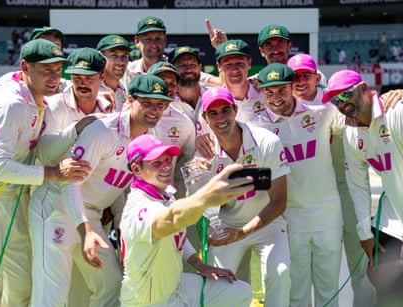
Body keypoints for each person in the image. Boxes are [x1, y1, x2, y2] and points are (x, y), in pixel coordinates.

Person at [0, 39, 90, 306]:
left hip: (12, 198)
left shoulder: (38, 101)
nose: (54, 77)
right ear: (25, 67)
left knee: (21, 285)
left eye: (58, 69)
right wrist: (54, 173)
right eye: (46, 70)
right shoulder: (9, 104)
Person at [120, 133, 253, 307]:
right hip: (146, 302)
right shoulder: (138, 206)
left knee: (239, 292)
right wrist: (205, 198)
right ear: (136, 169)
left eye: (167, 159)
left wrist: (199, 264)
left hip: (175, 286)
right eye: (156, 163)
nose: (166, 167)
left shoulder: (164, 194)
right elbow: (170, 221)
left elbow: (178, 234)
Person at [28, 47, 117, 306]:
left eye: (89, 76)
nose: (82, 82)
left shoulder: (109, 105)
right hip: (53, 205)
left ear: (102, 76)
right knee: (52, 294)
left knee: (110, 283)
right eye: (77, 76)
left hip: (89, 212)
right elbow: (44, 153)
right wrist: (77, 127)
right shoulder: (55, 105)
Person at [252, 63, 346, 307]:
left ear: (292, 87)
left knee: (329, 290)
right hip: (289, 219)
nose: (276, 98)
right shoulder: (255, 127)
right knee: (297, 293)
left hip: (327, 215)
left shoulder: (322, 112)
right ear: (261, 92)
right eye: (269, 92)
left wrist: (393, 98)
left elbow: (360, 116)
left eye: (282, 90)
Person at [287, 53, 375, 306]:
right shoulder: (284, 108)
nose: (300, 81)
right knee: (304, 274)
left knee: (359, 263)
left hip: (346, 189)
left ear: (317, 78)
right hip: (308, 200)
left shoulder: (334, 103)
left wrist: (394, 97)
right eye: (295, 77)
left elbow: (365, 111)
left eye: (306, 76)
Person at [322, 69, 403, 299]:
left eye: (346, 95)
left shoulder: (400, 110)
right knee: (380, 275)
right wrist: (364, 233)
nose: (342, 103)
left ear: (363, 88)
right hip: (394, 217)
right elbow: (357, 184)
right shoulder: (351, 133)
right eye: (336, 99)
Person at [198, 87, 291, 307]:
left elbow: (279, 201)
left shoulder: (266, 142)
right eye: (213, 113)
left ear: (235, 109)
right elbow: (203, 205)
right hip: (227, 225)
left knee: (280, 273)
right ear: (204, 118)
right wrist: (219, 229)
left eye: (225, 110)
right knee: (221, 287)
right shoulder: (202, 153)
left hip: (268, 224)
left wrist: (244, 232)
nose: (221, 118)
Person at [147, 61, 196, 199]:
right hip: (127, 198)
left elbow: (189, 163)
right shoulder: (129, 112)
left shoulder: (183, 122)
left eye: (172, 84)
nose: (167, 88)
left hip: (165, 199)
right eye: (161, 82)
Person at [122, 16, 167, 87]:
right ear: (137, 41)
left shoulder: (176, 70)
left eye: (158, 39)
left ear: (165, 40)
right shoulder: (126, 71)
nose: (154, 45)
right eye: (148, 39)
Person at [169, 45, 208, 125]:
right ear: (172, 69)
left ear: (199, 67)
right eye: (182, 65)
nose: (188, 70)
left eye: (193, 65)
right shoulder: (166, 103)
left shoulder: (213, 96)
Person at [96, 34, 130, 111]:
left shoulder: (125, 91)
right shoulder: (91, 89)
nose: (120, 62)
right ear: (100, 57)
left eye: (124, 56)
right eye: (114, 55)